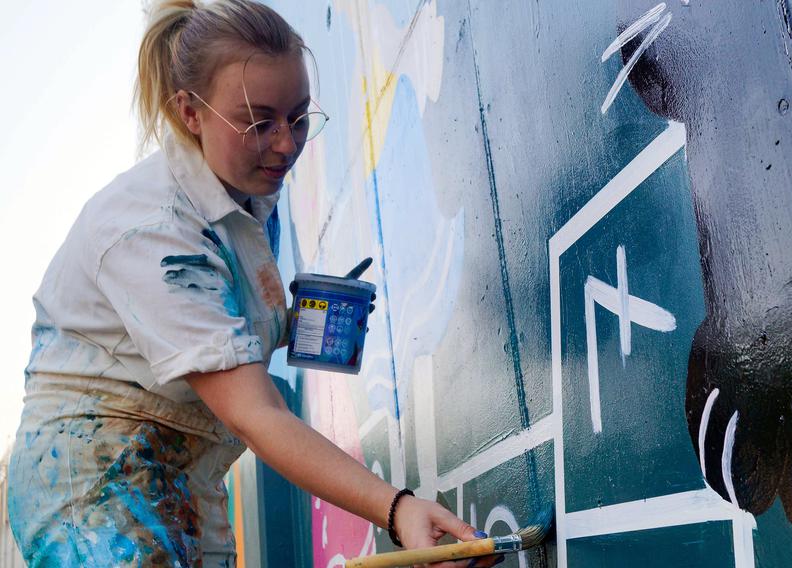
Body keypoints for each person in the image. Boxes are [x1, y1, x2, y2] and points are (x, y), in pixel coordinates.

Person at [6, 1, 498, 566]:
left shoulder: (245, 189)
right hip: (94, 484)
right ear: (190, 113)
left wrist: (293, 321)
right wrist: (396, 508)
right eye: (259, 122)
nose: (287, 143)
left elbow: (212, 334)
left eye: (299, 117)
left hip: (182, 469)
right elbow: (256, 413)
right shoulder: (154, 232)